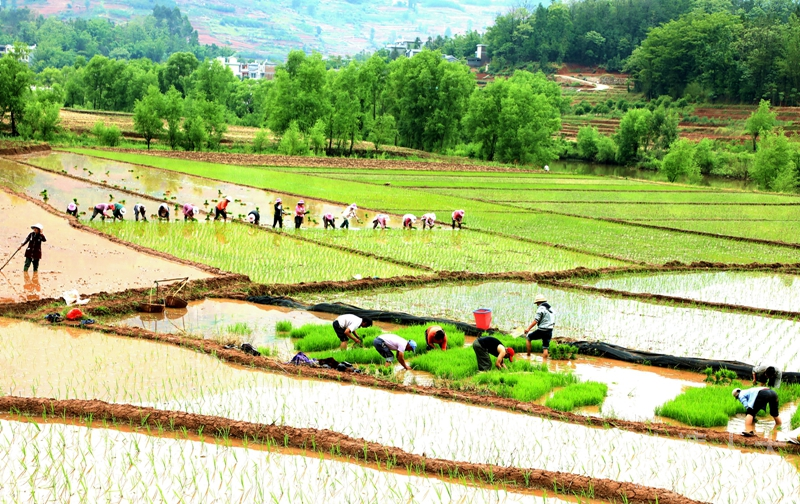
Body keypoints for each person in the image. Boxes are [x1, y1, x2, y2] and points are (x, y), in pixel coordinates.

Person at [525, 294, 555, 359]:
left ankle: (528, 356)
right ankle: (544, 364)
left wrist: (528, 329)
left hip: (542, 330)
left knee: (528, 338)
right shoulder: (551, 308)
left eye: (537, 303)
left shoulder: (541, 308)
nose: (537, 305)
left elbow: (536, 320)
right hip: (550, 330)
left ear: (539, 302)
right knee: (545, 347)